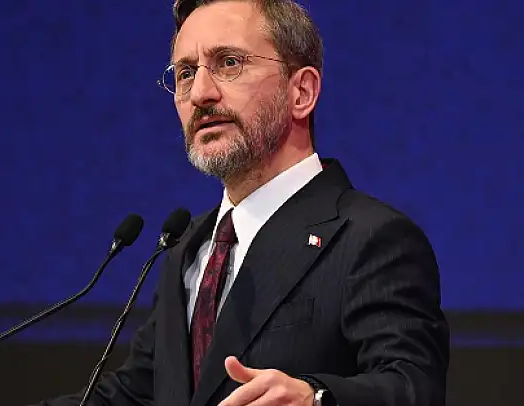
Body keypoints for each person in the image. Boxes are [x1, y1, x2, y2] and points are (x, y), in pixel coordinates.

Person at [36, 0, 450, 405]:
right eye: (185, 73)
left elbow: (413, 387)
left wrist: (315, 398)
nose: (200, 93)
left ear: (301, 92)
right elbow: (140, 393)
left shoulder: (371, 238)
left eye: (229, 63)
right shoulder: (186, 249)